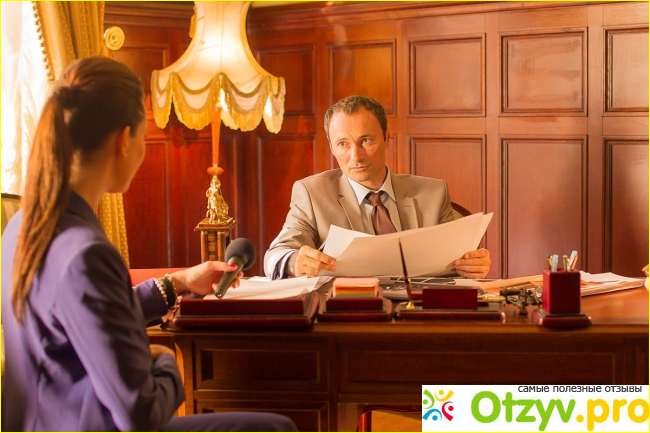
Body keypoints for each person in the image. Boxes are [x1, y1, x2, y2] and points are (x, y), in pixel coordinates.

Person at [1, 56, 297, 432]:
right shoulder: (86, 253)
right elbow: (141, 415)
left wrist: (178, 283)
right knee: (275, 429)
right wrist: (164, 361)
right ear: (124, 141)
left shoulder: (22, 225)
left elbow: (88, 314)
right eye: (143, 137)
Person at [264, 95, 491, 280]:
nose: (356, 156)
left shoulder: (433, 193)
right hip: (348, 311)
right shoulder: (312, 194)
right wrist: (293, 262)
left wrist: (473, 265)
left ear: (387, 137)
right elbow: (275, 255)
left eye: (366, 140)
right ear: (332, 147)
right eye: (343, 144)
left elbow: (458, 262)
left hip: (418, 312)